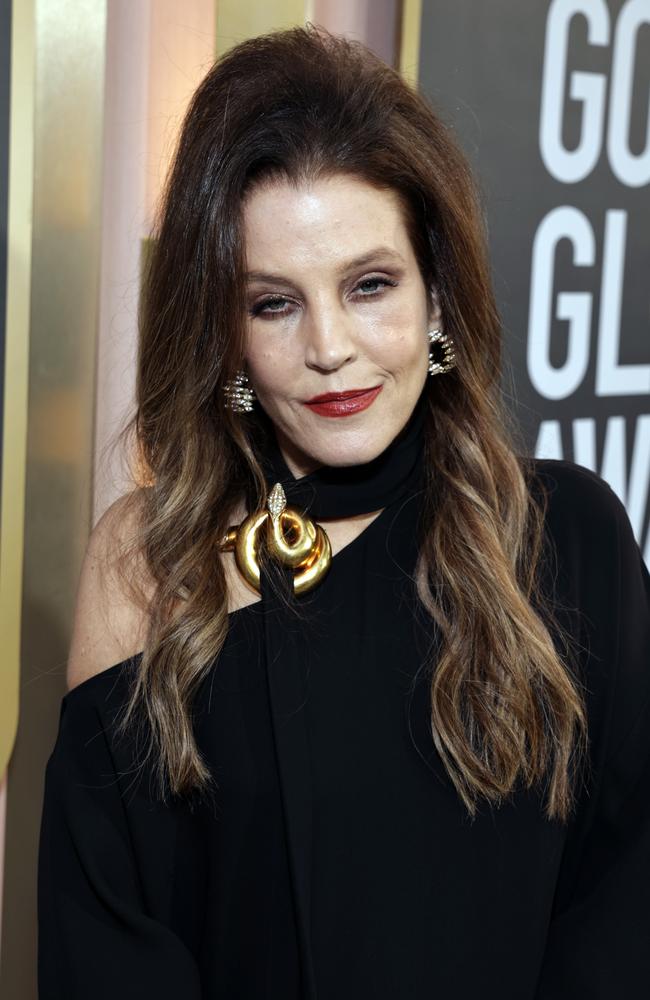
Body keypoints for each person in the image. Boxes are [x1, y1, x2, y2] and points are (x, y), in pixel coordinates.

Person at [37, 25, 650, 1000]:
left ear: (438, 296)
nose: (329, 346)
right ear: (224, 332)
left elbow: (620, 915)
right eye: (273, 303)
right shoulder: (152, 558)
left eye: (369, 286)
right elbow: (107, 947)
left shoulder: (566, 538)